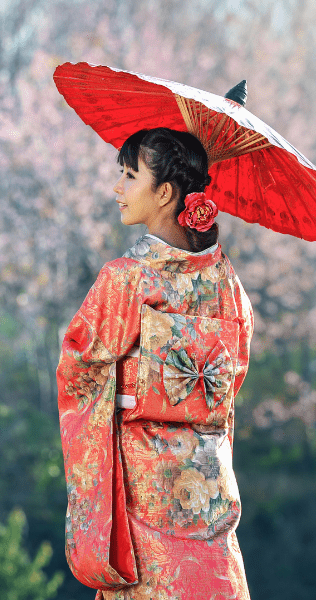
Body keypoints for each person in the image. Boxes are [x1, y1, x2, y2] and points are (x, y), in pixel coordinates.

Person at [56, 127, 254, 600]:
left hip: (145, 485)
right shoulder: (225, 282)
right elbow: (233, 370)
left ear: (165, 192)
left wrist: (126, 391)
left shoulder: (127, 279)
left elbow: (77, 368)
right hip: (207, 485)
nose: (117, 188)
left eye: (129, 175)